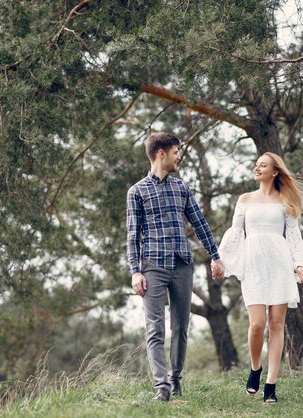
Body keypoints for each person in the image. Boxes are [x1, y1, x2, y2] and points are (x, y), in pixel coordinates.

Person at [126, 131, 225, 402]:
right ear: (161, 153)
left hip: (182, 265)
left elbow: (200, 223)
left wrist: (215, 255)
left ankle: (176, 379)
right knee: (154, 328)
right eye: (175, 152)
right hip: (152, 267)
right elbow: (133, 235)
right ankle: (162, 387)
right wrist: (135, 270)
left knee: (180, 327)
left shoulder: (181, 188)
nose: (178, 156)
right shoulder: (137, 192)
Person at [218, 152, 303, 403]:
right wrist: (221, 260)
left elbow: (293, 236)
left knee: (276, 325)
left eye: (263, 165)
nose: (257, 168)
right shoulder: (245, 199)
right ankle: (256, 368)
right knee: (257, 324)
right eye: (256, 164)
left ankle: (271, 385)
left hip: (280, 264)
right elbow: (235, 233)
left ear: (275, 171)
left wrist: (298, 264)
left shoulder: (286, 200)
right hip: (253, 264)